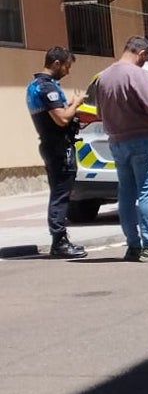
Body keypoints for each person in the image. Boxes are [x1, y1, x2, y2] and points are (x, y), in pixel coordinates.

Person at [94, 36, 148, 262]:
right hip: (142, 139)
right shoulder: (140, 75)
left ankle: (133, 245)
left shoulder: (103, 77)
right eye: (146, 58)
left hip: (116, 142)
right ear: (141, 54)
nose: (145, 62)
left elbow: (99, 114)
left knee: (126, 194)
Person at [25, 46, 87, 259]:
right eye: (67, 66)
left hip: (51, 145)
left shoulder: (35, 85)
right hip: (58, 147)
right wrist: (76, 104)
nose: (68, 72)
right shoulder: (46, 88)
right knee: (61, 194)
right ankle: (59, 241)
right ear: (57, 63)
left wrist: (69, 108)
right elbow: (61, 119)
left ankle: (60, 239)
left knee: (59, 192)